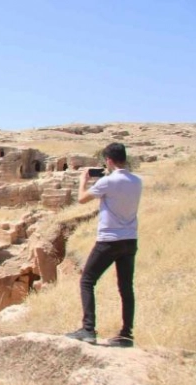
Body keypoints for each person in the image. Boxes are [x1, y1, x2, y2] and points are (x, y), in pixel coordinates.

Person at [65, 143, 142, 348]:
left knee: (87, 281)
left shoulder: (108, 181)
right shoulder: (137, 181)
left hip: (109, 239)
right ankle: (126, 335)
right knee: (126, 287)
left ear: (108, 160)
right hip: (130, 239)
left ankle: (88, 329)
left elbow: (82, 199)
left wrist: (83, 181)